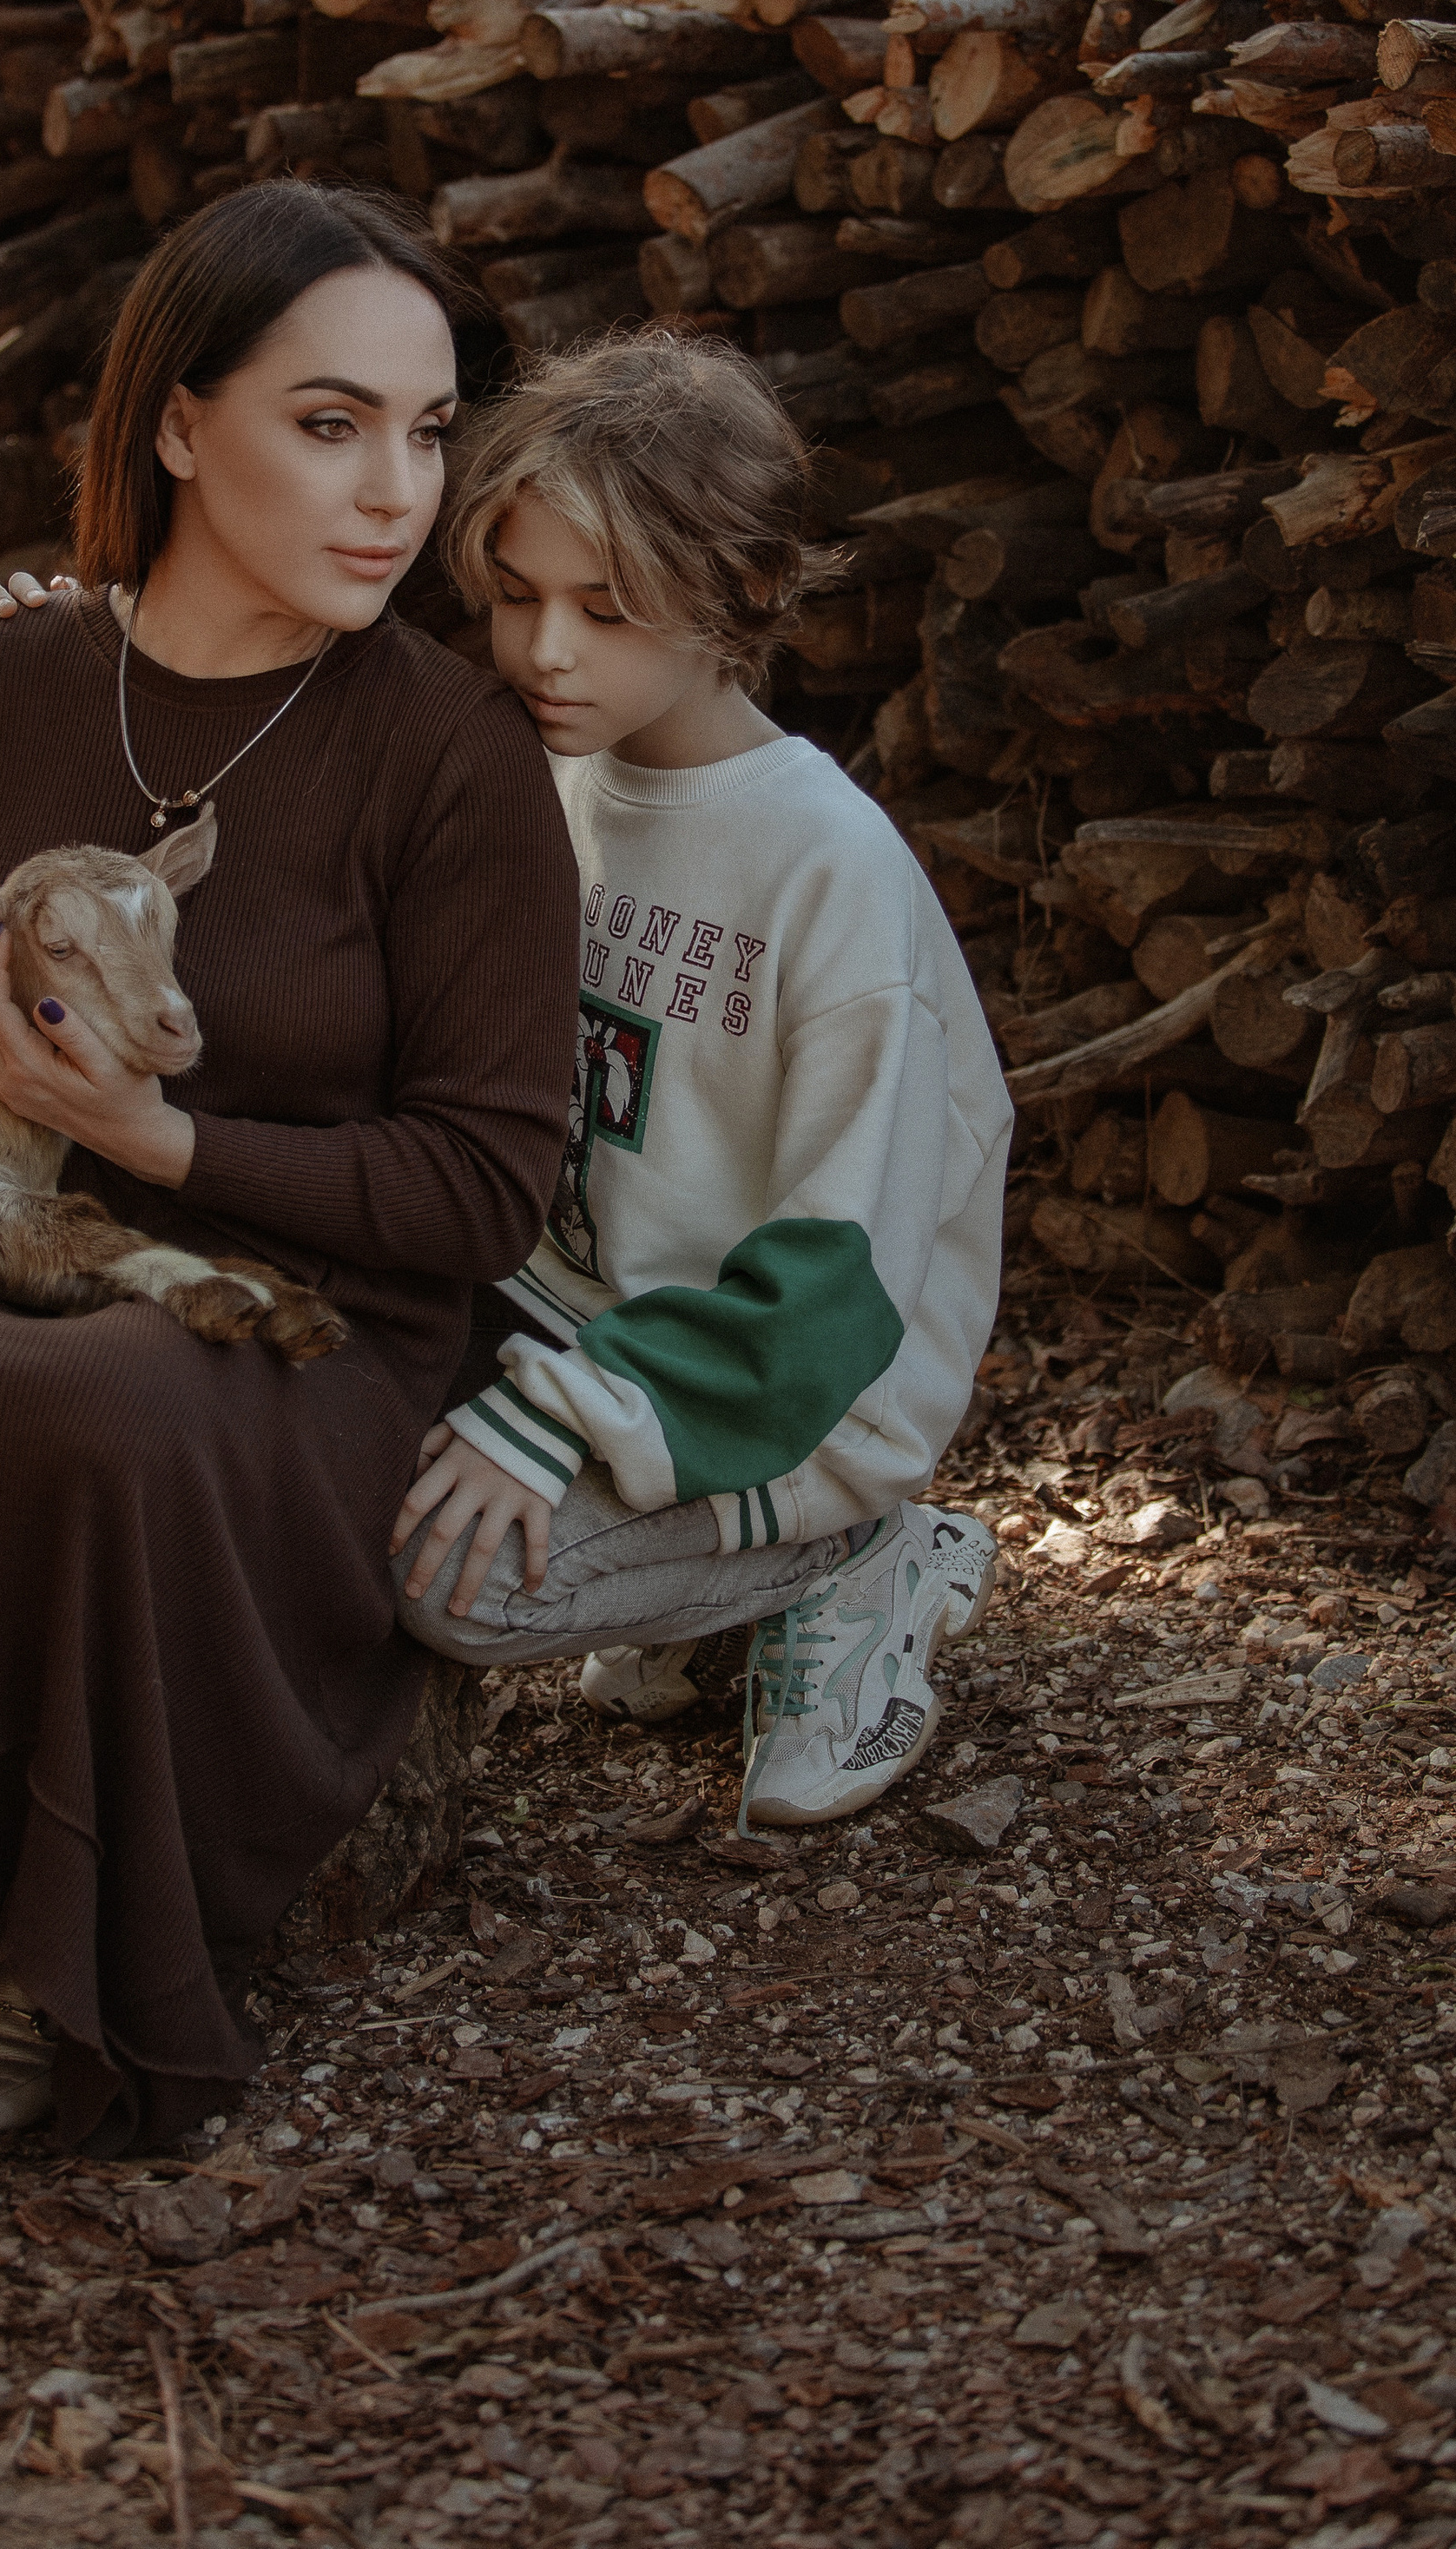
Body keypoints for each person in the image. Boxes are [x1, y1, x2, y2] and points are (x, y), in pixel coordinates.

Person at [0, 181, 578, 2152]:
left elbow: (484, 1192)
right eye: (329, 424)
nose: (393, 489)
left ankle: (47, 1961)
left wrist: (157, 1141)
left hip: (306, 1335)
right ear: (174, 424)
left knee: (126, 1398)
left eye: (422, 430)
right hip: (1, 1261)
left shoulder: (443, 751)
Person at [390, 329, 1013, 1828]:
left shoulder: (827, 874)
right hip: (573, 1313)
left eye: (604, 611)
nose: (545, 650)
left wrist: (552, 1423)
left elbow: (840, 1290)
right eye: (520, 597)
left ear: (738, 594)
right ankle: (688, 1592)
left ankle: (853, 1561)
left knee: (449, 1597)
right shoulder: (550, 771)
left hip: (794, 1387)